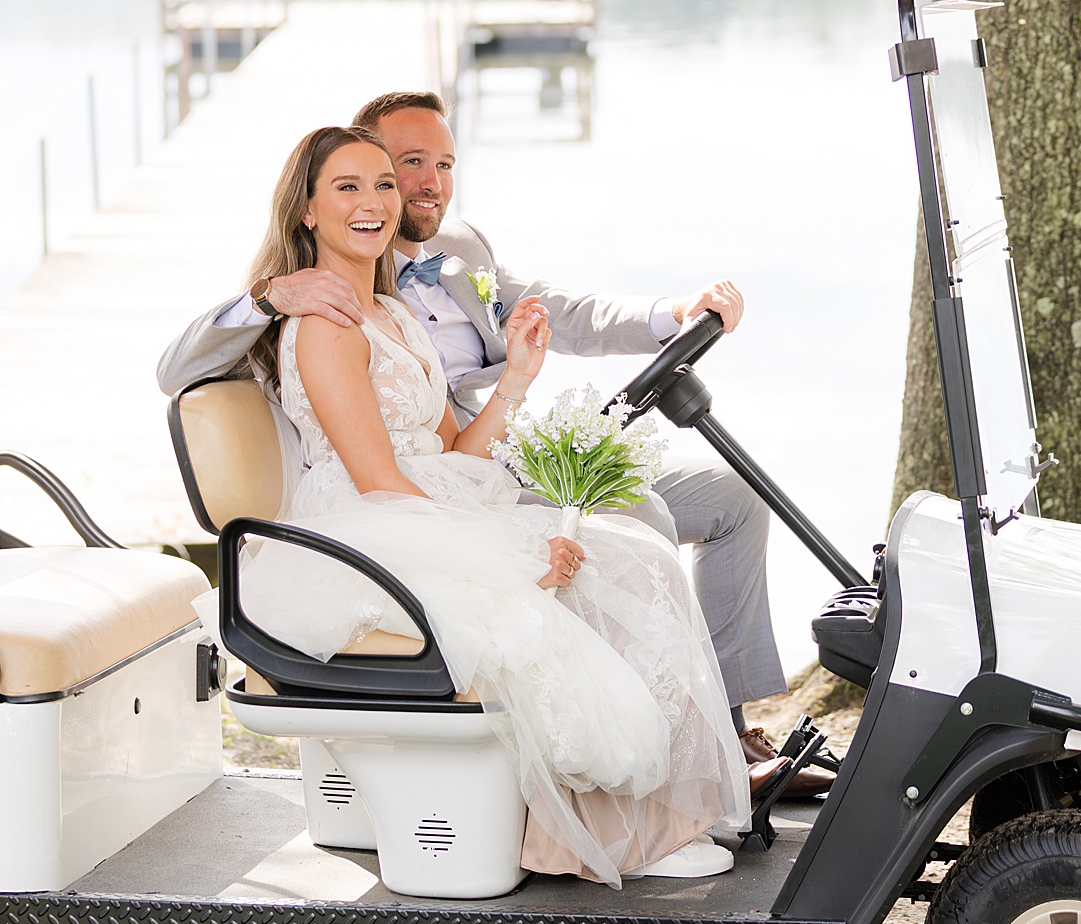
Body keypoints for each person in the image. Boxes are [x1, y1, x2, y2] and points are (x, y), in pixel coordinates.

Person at [156, 89, 817, 793]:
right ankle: (683, 766)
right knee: (639, 525)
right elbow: (184, 373)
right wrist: (267, 297)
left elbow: (564, 313)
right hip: (408, 504)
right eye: (405, 163)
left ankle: (727, 732)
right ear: (316, 202)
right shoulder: (315, 306)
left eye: (439, 163)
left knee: (732, 499)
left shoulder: (456, 252)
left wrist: (672, 313)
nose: (423, 184)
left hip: (475, 462)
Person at [224, 124, 750, 885]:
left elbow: (453, 454)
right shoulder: (323, 327)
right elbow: (381, 482)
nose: (374, 202)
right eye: (348, 187)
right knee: (615, 570)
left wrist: (515, 384)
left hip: (429, 503)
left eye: (381, 184)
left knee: (634, 555)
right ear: (306, 210)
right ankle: (611, 833)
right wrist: (508, 551)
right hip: (380, 531)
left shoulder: (392, 314)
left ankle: (642, 818)